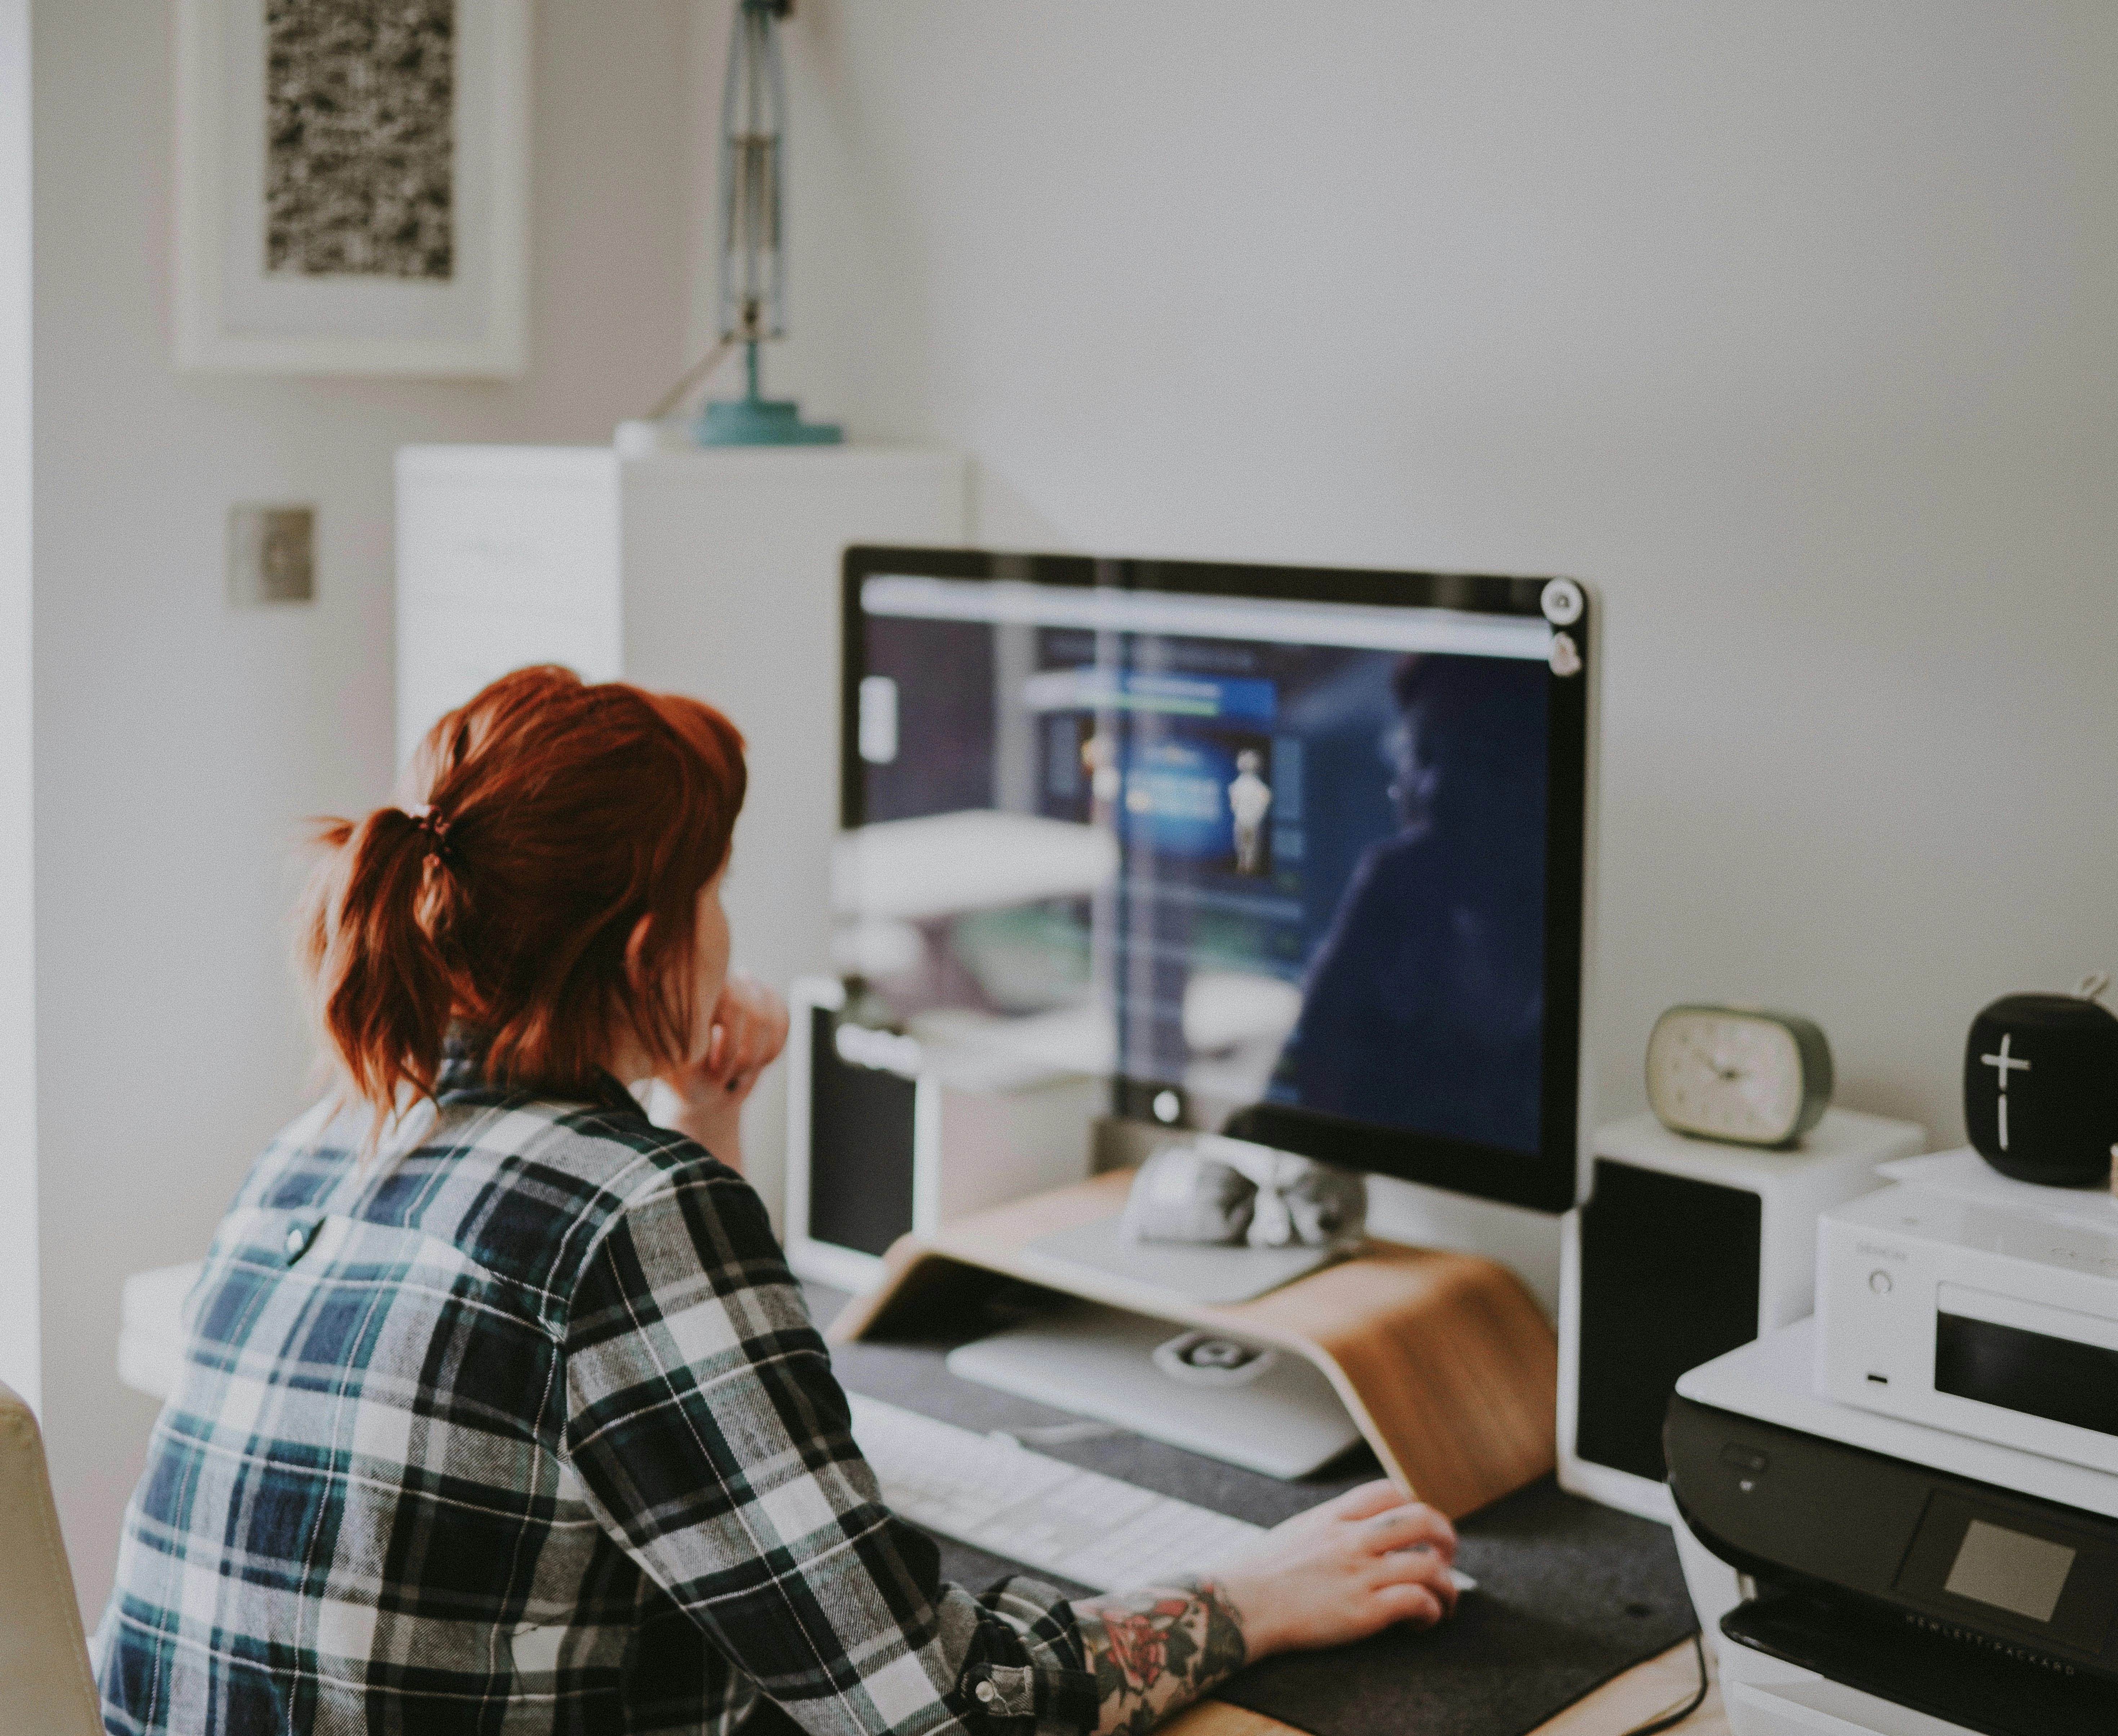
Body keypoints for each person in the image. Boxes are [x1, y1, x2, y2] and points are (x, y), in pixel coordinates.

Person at [94, 666, 1459, 1736]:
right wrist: (1251, 1596)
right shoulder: (626, 1214)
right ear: (650, 946)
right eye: (716, 893)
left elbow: (680, 1430)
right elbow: (929, 1704)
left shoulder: (328, 1135)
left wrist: (704, 1115)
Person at [1284, 653, 1549, 1155]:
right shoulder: (1392, 914)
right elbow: (1292, 1106)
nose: (1436, 789)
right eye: (1421, 755)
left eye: (1477, 757)